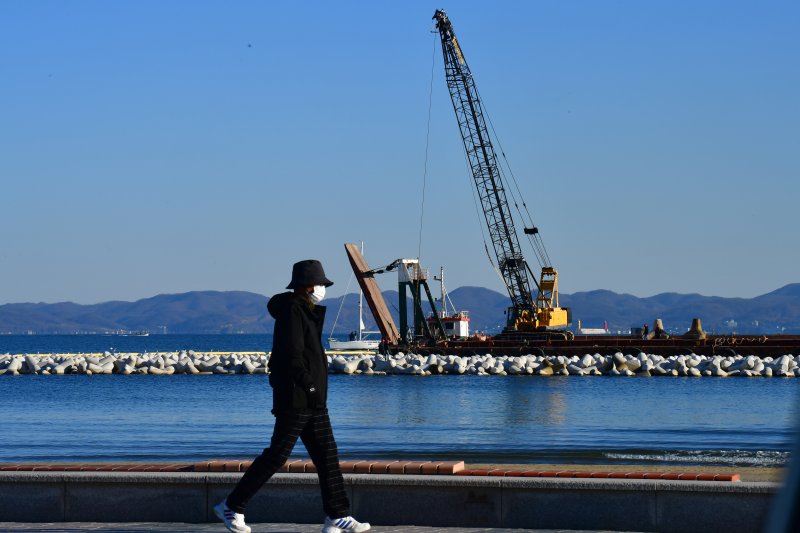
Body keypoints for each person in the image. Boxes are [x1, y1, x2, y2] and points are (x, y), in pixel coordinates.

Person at [214, 259, 370, 533]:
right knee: (277, 455)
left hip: (313, 400)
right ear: (308, 286)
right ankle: (232, 506)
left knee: (327, 455)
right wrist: (310, 387)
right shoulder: (292, 312)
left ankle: (337, 516)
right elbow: (293, 356)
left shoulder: (304, 311)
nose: (323, 288)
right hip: (297, 399)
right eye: (321, 284)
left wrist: (315, 392)